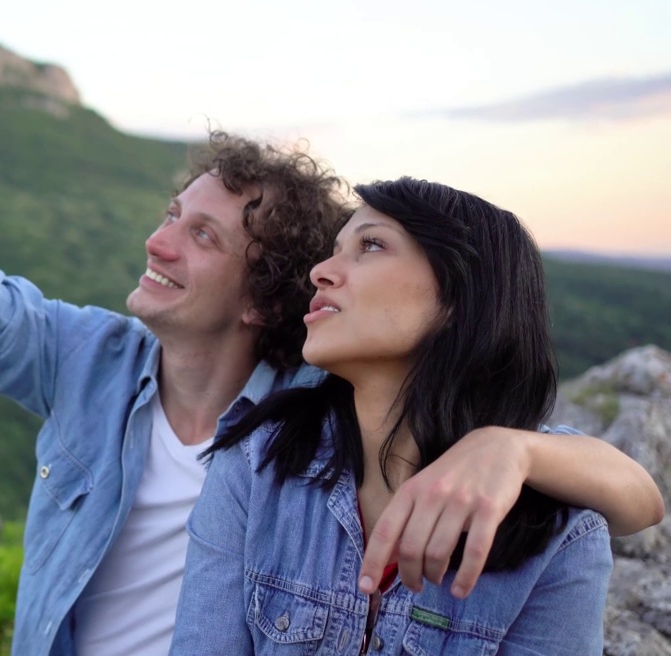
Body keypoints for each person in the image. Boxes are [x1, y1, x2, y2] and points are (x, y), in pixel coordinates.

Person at [0, 0, 665, 655]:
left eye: (202, 234)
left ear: (267, 293)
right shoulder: (89, 366)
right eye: (169, 212)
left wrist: (517, 447)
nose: (156, 240)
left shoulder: (304, 425)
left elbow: (617, 492)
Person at [171, 177, 648, 654]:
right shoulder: (258, 464)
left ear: (460, 296)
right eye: (335, 249)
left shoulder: (554, 533)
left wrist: (512, 447)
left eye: (371, 245)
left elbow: (644, 501)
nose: (321, 271)